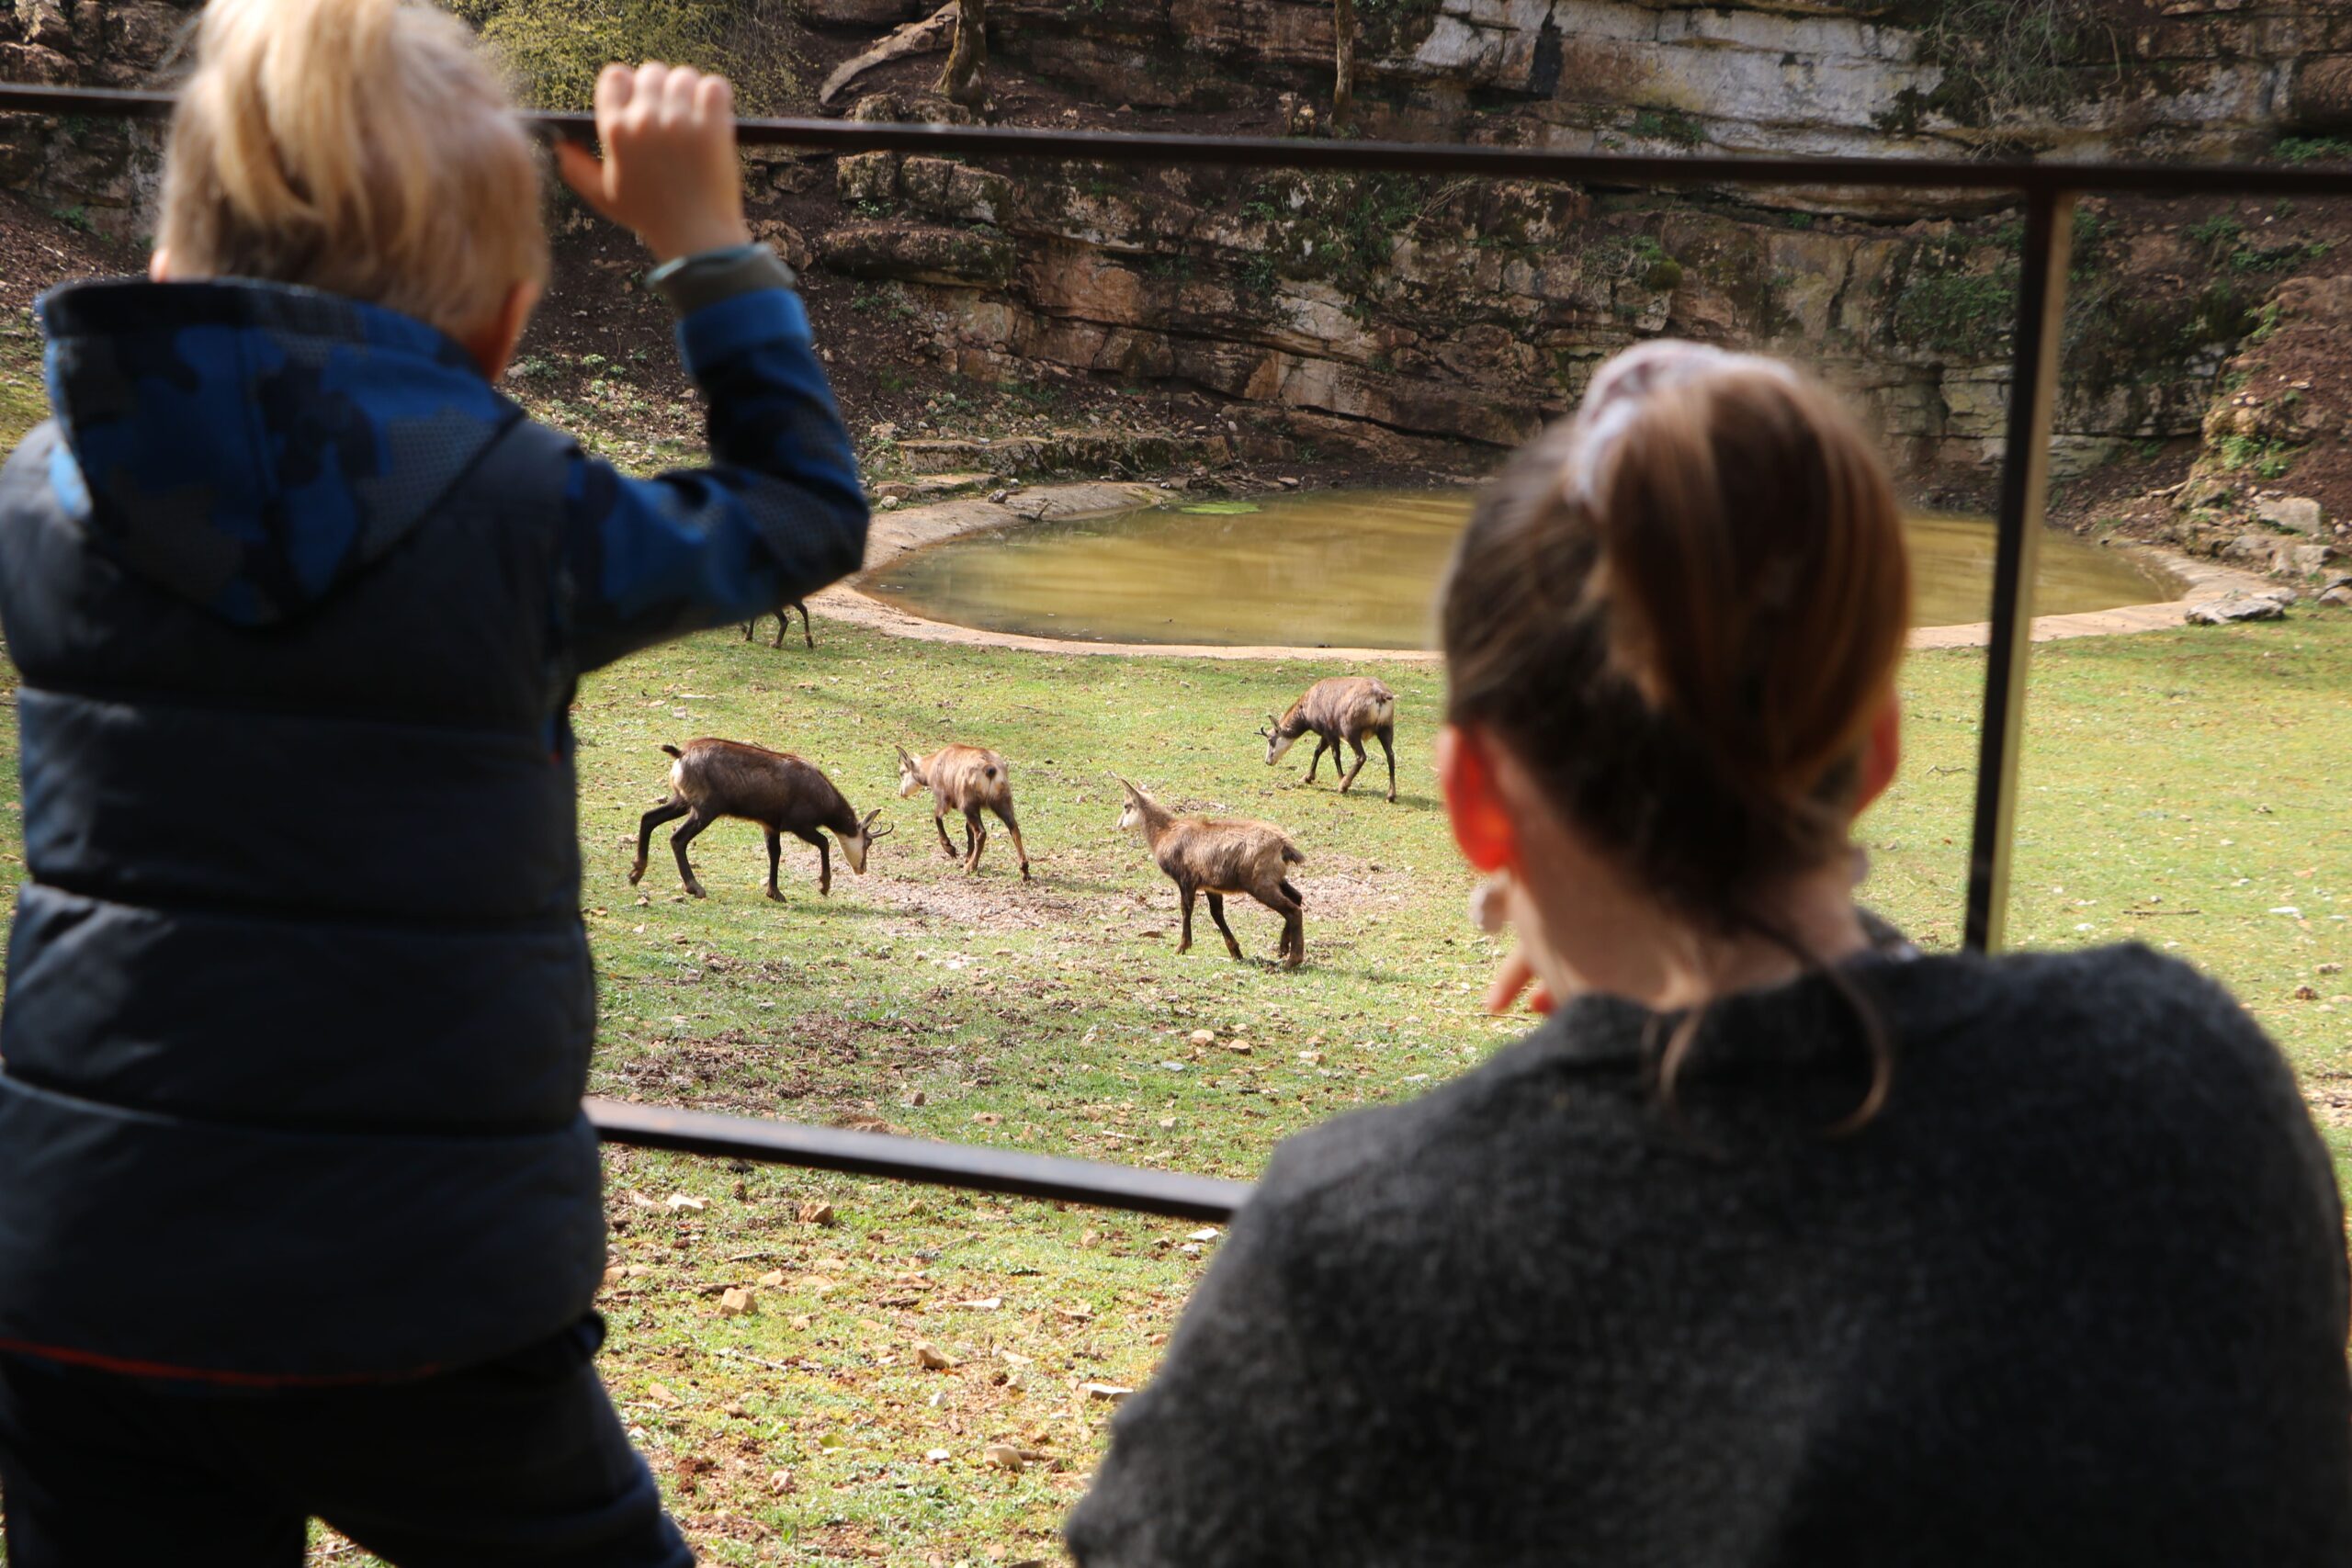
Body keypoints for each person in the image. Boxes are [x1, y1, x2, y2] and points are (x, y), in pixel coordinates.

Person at [1065, 341, 2352, 1566]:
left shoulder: (1349, 1248)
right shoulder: (2186, 1081)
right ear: (1881, 754)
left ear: (1473, 805)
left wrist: (1591, 1041)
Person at [0, 0, 867, 1559]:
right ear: (503, 315)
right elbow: (801, 511)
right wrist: (708, 247)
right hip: (425, 1298)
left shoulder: (42, 498)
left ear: (169, 264)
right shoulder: (526, 514)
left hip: (76, 1269)